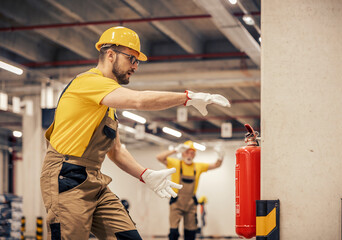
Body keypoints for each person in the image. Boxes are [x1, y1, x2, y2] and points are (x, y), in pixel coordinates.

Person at [39, 26, 230, 240]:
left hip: (94, 178)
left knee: (128, 236)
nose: (135, 67)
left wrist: (145, 174)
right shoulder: (87, 82)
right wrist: (188, 97)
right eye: (132, 59)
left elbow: (116, 151)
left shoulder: (107, 104)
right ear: (110, 54)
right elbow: (138, 100)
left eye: (137, 61)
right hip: (66, 175)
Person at [156, 141, 225, 240]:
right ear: (182, 153)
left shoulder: (198, 166)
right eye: (186, 152)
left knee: (190, 233)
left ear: (195, 155)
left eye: (192, 153)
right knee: (174, 233)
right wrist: (175, 150)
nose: (189, 155)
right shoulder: (175, 163)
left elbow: (216, 165)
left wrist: (221, 156)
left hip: (191, 203)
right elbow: (159, 157)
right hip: (176, 203)